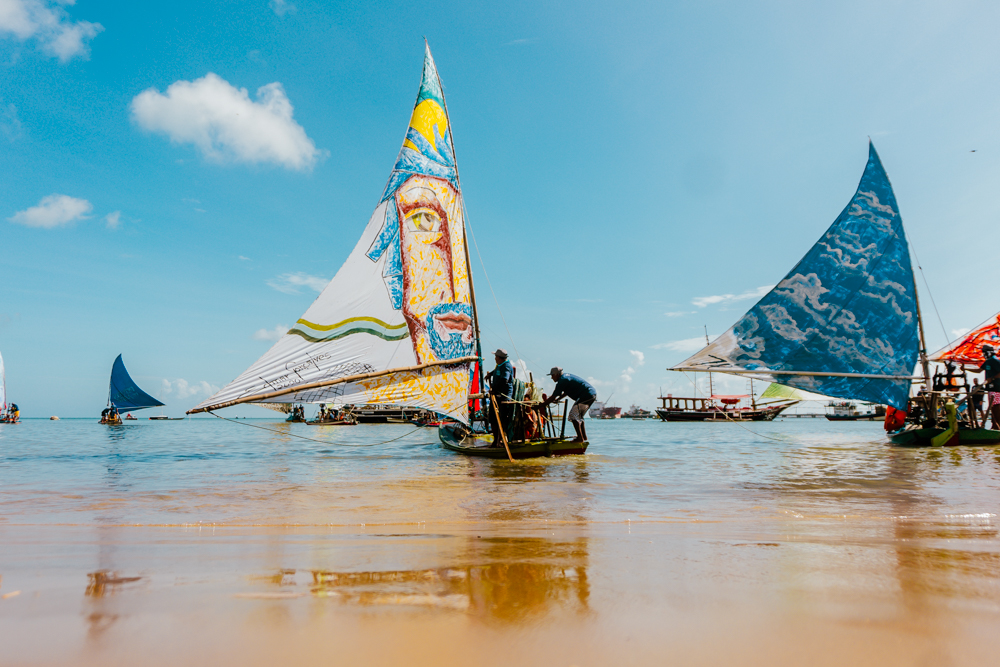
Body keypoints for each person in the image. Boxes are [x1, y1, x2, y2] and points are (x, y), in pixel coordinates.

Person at [539, 367, 597, 443]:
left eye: (552, 375)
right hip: (591, 394)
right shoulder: (565, 378)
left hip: (586, 395)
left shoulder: (562, 381)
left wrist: (540, 406)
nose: (551, 377)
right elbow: (566, 392)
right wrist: (558, 399)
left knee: (573, 415)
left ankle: (580, 438)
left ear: (557, 374)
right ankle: (583, 437)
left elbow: (552, 397)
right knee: (579, 416)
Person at [484, 349, 514, 442]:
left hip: (503, 397)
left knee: (501, 419)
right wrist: (491, 374)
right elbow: (497, 370)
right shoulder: (500, 365)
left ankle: (500, 440)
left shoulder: (507, 367)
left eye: (496, 357)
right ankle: (495, 440)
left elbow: (504, 380)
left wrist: (494, 389)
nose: (495, 359)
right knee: (493, 418)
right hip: (496, 396)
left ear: (499, 358)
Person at [974, 344, 1000, 430]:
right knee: (992, 408)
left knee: (996, 408)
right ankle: (994, 426)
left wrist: (992, 378)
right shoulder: (988, 361)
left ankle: (997, 427)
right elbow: (979, 370)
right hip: (990, 388)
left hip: (997, 388)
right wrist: (965, 369)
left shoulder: (994, 360)